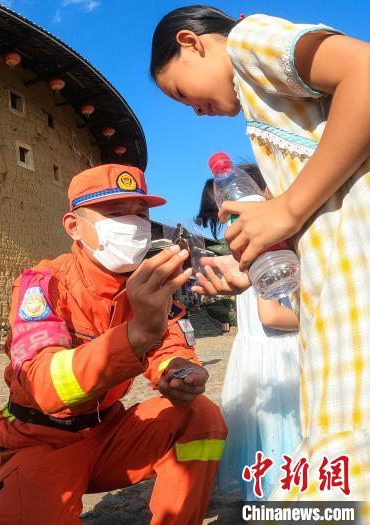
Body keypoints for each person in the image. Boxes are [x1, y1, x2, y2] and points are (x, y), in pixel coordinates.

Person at [151, 6, 370, 506]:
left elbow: (365, 69)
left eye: (181, 93)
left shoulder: (248, 42)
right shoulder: (261, 104)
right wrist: (256, 271)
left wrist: (288, 207)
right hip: (335, 304)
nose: (195, 112)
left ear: (193, 42)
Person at [0, 164, 227, 525]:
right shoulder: (45, 283)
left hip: (109, 434)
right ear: (73, 226)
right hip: (43, 441)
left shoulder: (149, 284)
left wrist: (178, 372)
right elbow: (44, 387)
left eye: (140, 214)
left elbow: (171, 345)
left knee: (201, 416)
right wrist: (135, 335)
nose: (133, 224)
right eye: (114, 213)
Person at [196, 164, 301, 500]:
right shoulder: (268, 249)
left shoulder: (241, 252)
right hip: (281, 362)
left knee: (265, 452)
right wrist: (318, 318)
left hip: (255, 361)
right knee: (286, 451)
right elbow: (271, 315)